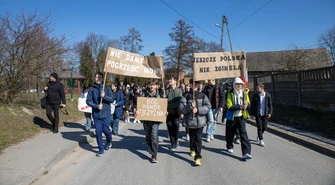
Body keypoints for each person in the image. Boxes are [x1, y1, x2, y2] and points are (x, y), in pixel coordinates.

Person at [179, 80, 211, 166]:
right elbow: (181, 108)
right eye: (193, 84)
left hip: (200, 121)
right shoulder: (186, 96)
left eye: (196, 84)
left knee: (198, 138)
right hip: (190, 121)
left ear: (198, 85)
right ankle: (192, 149)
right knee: (192, 137)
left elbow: (208, 107)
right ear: (190, 85)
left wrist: (198, 110)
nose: (194, 86)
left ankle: (198, 157)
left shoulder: (203, 95)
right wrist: (189, 107)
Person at [86, 72, 114, 157]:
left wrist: (104, 96)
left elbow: (112, 99)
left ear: (102, 79)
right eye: (96, 77)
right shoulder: (92, 89)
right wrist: (96, 106)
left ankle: (109, 141)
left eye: (100, 77)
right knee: (98, 131)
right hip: (96, 114)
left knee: (106, 130)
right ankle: (101, 149)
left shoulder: (106, 88)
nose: (98, 79)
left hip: (105, 114)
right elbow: (88, 101)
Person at [141, 79, 167, 163]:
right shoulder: (145, 94)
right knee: (148, 136)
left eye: (153, 85)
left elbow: (163, 106)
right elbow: (141, 104)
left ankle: (154, 155)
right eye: (150, 84)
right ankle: (150, 146)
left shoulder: (160, 95)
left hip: (156, 119)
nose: (152, 86)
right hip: (146, 119)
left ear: (156, 86)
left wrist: (165, 112)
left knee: (154, 136)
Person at [225, 77, 252, 160]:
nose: (238, 86)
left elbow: (248, 104)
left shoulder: (244, 93)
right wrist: (240, 106)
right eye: (237, 84)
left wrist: (247, 105)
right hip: (232, 117)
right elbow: (229, 106)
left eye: (240, 84)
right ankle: (229, 146)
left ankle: (246, 152)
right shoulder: (230, 93)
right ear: (234, 85)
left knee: (243, 134)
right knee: (230, 133)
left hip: (241, 116)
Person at [250, 83, 273, 147]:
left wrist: (270, 112)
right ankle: (261, 140)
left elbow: (270, 104)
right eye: (257, 88)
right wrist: (252, 114)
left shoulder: (267, 95)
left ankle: (259, 135)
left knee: (264, 127)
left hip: (265, 113)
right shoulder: (256, 95)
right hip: (258, 113)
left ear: (262, 88)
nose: (257, 89)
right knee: (259, 127)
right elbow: (253, 105)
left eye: (258, 88)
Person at [166, 77, 183, 150]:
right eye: (169, 81)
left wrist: (168, 104)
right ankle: (172, 142)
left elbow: (178, 102)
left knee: (176, 127)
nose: (169, 82)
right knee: (169, 127)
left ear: (175, 82)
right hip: (168, 112)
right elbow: (163, 102)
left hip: (176, 112)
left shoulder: (179, 91)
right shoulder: (166, 91)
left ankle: (176, 140)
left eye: (171, 81)